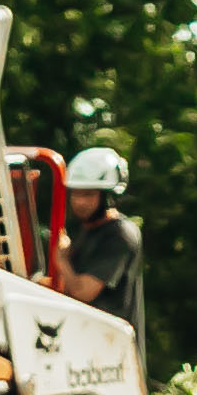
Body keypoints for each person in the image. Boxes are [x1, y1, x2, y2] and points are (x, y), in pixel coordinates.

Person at [54, 145, 148, 346]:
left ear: (108, 196)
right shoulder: (87, 230)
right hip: (89, 344)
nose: (79, 202)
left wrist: (62, 259)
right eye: (76, 194)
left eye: (88, 194)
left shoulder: (120, 235)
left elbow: (83, 292)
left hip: (112, 351)